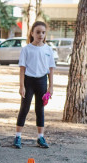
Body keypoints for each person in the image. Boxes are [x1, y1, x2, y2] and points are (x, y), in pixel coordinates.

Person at [13, 21, 55, 149]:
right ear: (32, 33)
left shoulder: (48, 49)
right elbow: (22, 69)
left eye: (43, 32)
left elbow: (51, 69)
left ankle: (40, 137)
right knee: (24, 108)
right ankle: (18, 136)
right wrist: (22, 86)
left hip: (42, 81)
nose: (40, 35)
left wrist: (51, 86)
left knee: (40, 110)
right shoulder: (26, 49)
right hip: (28, 81)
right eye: (38, 32)